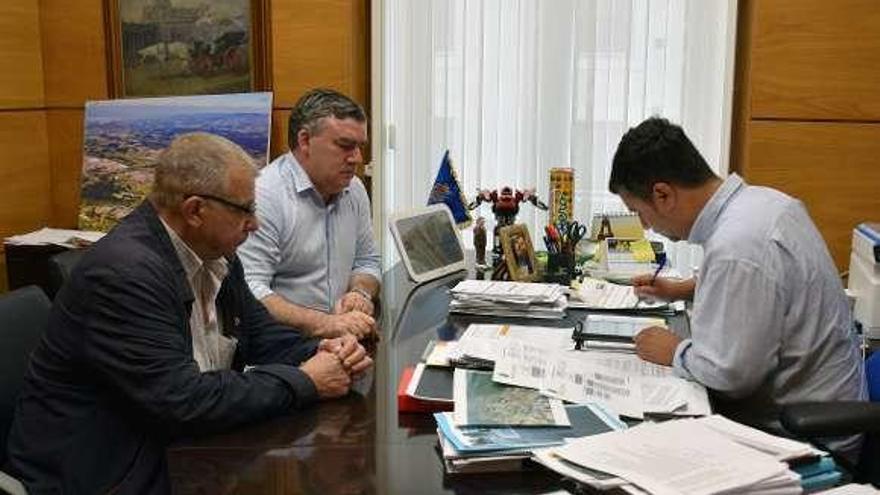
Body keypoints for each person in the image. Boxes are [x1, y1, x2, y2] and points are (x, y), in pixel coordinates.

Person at [5, 133, 373, 493]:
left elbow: (263, 336)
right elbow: (181, 399)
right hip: (98, 472)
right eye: (245, 210)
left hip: (174, 450)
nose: (255, 224)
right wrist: (306, 381)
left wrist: (325, 353)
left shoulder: (218, 254)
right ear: (196, 210)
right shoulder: (124, 274)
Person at [608, 117, 866, 451]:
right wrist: (686, 288)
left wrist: (674, 350)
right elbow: (769, 286)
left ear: (663, 194)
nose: (644, 226)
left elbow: (731, 379)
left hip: (806, 437)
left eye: (639, 212)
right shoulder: (764, 203)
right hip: (827, 405)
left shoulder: (737, 246)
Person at [238, 88, 381, 341]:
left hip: (343, 339)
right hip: (282, 349)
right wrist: (327, 324)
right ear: (305, 141)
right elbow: (250, 291)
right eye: (346, 145)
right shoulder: (264, 195)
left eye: (359, 147)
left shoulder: (354, 188)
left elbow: (367, 261)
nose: (357, 158)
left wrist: (360, 294)